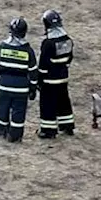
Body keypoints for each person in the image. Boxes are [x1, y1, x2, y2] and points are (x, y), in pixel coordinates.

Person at [0, 16, 37, 143]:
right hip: (21, 88)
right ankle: (15, 137)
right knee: (18, 113)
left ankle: (0, 132)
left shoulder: (1, 47)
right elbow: (33, 73)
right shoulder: (28, 51)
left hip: (4, 86)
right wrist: (33, 89)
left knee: (2, 109)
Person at [37, 9, 76, 139]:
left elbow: (43, 65)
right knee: (64, 101)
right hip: (63, 78)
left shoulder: (48, 43)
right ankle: (67, 126)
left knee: (48, 104)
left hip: (49, 81)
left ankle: (48, 130)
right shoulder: (68, 40)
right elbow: (69, 58)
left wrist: (39, 80)